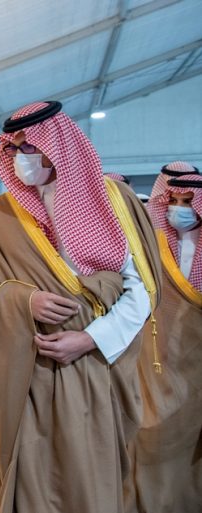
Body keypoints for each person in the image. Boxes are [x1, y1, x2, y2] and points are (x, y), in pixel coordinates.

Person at [0, 100, 161, 513]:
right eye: (15, 149)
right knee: (34, 481)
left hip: (95, 368)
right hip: (28, 371)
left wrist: (90, 339)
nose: (21, 158)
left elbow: (142, 290)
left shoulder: (115, 201)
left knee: (89, 477)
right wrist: (24, 301)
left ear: (60, 145)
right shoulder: (2, 212)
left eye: (31, 147)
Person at [134, 174, 202, 513]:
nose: (178, 209)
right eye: (172, 201)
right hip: (158, 356)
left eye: (187, 202)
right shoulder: (157, 245)